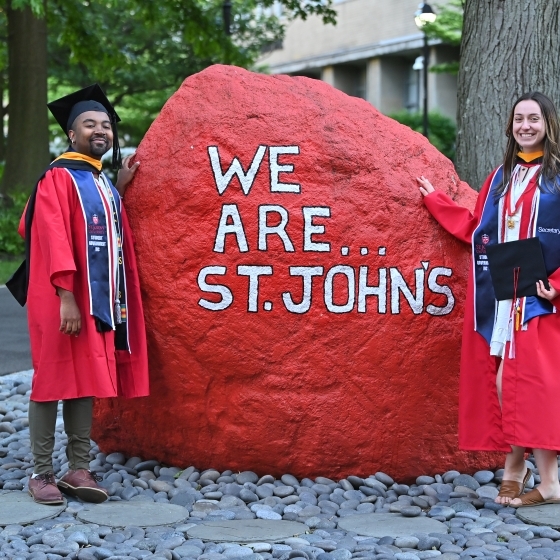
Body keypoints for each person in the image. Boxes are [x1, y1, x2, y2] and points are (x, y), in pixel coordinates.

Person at [417, 91, 560, 508]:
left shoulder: (558, 178)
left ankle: (537, 475)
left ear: (549, 124)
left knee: (525, 385)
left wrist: (557, 285)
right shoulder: (501, 176)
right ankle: (524, 470)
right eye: (519, 119)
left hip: (538, 297)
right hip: (501, 296)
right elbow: (478, 226)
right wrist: (435, 201)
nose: (526, 126)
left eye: (534, 118)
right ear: (510, 126)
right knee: (511, 384)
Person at [19, 85, 150, 505]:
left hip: (94, 299)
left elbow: (106, 235)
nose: (100, 130)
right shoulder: (57, 177)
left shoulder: (98, 181)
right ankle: (41, 474)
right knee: (51, 380)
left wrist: (122, 188)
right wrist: (65, 295)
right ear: (72, 135)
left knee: (84, 379)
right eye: (89, 124)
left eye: (106, 125)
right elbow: (52, 236)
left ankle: (78, 469)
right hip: (63, 298)